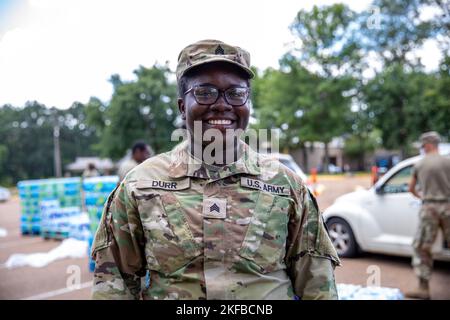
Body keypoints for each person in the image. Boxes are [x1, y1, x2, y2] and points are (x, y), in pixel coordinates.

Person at [91, 39, 340, 300]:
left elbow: (317, 285)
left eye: (235, 93)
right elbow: (114, 283)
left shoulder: (286, 185)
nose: (222, 104)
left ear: (248, 104)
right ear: (181, 107)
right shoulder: (140, 185)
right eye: (205, 92)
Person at [406, 131, 450, 299]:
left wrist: (423, 197)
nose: (423, 149)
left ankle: (423, 288)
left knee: (422, 247)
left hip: (429, 208)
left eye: (423, 146)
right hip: (448, 206)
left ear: (428, 145)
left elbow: (411, 189)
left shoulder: (420, 164)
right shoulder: (448, 162)